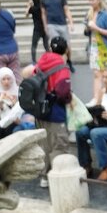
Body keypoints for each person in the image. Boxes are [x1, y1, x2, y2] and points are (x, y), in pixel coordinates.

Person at [29, 36, 72, 187]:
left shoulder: (41, 62)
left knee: (45, 146)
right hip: (55, 112)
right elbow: (63, 92)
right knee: (59, 145)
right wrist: (69, 98)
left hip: (40, 111)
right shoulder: (62, 67)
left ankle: (44, 177)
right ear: (65, 50)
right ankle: (59, 178)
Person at [0, 67, 24, 142]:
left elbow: (24, 110)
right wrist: (0, 106)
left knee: (11, 130)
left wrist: (14, 104)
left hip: (14, 121)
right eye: (3, 79)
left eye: (8, 79)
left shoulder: (18, 92)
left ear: (12, 79)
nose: (6, 81)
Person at [26, 0, 48, 64]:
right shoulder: (43, 8)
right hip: (44, 28)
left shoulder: (33, 8)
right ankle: (50, 58)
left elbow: (26, 14)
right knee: (46, 46)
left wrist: (28, 5)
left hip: (37, 29)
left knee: (34, 46)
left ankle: (33, 61)